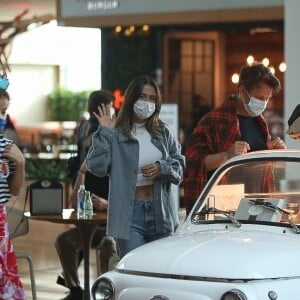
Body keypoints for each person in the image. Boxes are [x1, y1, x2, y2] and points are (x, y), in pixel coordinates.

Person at [86, 75, 185, 258]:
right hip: (130, 215)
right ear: (132, 99)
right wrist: (105, 133)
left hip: (161, 212)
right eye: (142, 96)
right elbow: (96, 166)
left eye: (152, 98)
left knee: (161, 270)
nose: (147, 102)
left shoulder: (163, 132)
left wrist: (160, 168)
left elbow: (179, 166)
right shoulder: (115, 132)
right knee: (135, 270)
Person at [184, 63, 286, 215]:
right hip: (223, 209)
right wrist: (226, 156)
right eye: (259, 98)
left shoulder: (260, 123)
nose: (263, 103)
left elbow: (256, 163)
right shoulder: (214, 121)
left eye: (267, 98)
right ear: (242, 91)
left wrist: (270, 152)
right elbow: (193, 162)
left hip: (256, 206)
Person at [55, 90, 117, 300]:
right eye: (110, 105)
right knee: (65, 240)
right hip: (88, 205)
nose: (113, 110)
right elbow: (85, 166)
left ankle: (105, 291)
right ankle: (75, 289)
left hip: (109, 221)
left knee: (108, 243)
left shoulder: (86, 129)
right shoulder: (94, 132)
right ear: (102, 108)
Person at [0, 89, 26, 299]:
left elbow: (15, 189)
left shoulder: (7, 147)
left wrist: (21, 163)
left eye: (4, 112)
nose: (1, 118)